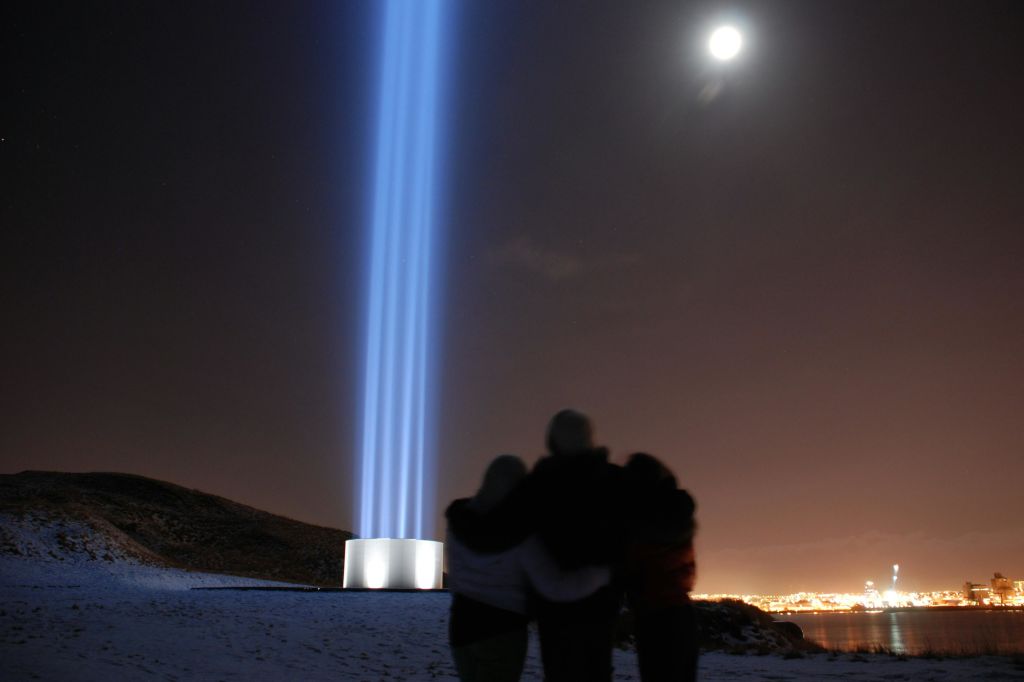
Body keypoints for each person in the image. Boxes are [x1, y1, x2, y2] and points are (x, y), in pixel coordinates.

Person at [526, 409, 627, 682]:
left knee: (558, 670)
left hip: (552, 604)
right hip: (600, 601)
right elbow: (625, 537)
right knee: (597, 670)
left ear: (552, 439)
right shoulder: (614, 479)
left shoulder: (537, 484)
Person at [446, 454, 531, 682]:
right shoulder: (520, 526)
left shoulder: (458, 520)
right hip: (503, 628)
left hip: (462, 625)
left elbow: (456, 570)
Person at [622, 453, 698, 682]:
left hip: (652, 618)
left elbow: (631, 571)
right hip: (682, 615)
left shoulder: (636, 527)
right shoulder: (679, 519)